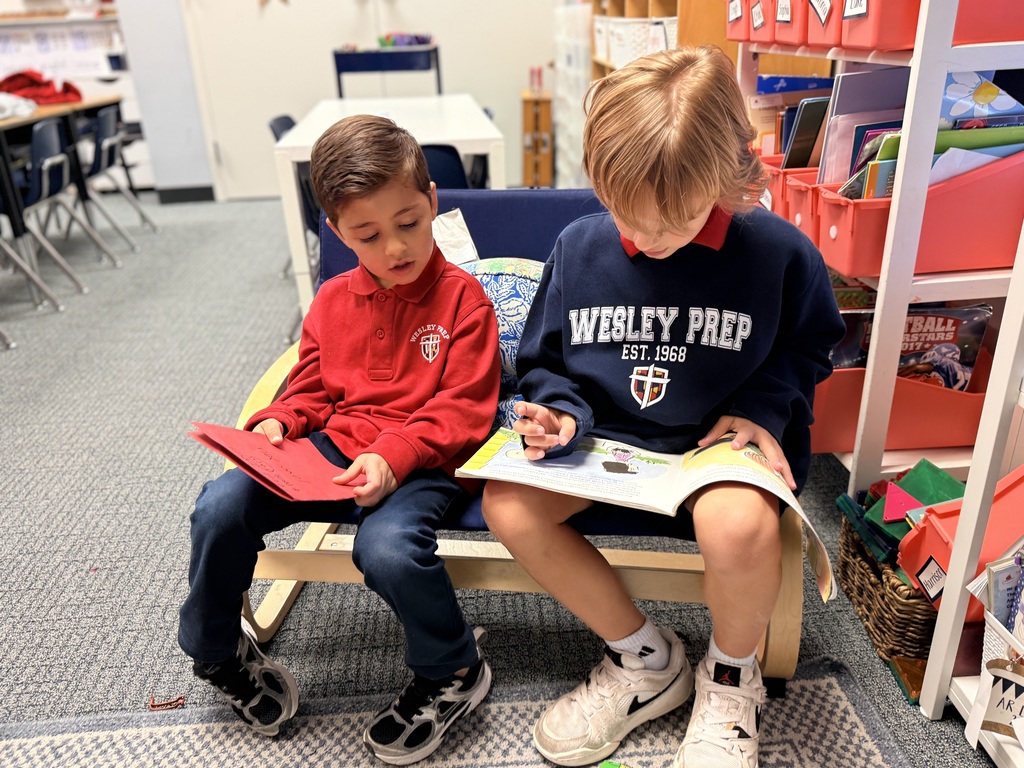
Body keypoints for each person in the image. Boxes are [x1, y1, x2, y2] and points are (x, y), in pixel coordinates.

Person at [481, 45, 845, 768]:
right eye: (625, 214)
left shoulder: (778, 252)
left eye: (672, 221)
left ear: (729, 178)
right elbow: (547, 363)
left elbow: (812, 345)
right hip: (612, 439)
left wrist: (764, 408)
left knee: (737, 527)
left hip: (721, 441)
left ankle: (731, 679)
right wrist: (558, 415)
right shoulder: (578, 246)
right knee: (508, 505)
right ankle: (645, 659)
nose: (646, 240)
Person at [178, 114, 501, 765]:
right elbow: (309, 390)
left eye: (409, 222)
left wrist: (392, 456)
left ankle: (454, 668)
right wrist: (278, 423)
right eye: (368, 235)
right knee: (219, 506)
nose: (395, 249)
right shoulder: (330, 299)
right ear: (335, 231)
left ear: (433, 200)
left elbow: (465, 412)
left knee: (387, 550)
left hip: (420, 461)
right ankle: (216, 651)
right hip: (331, 451)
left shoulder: (467, 302)